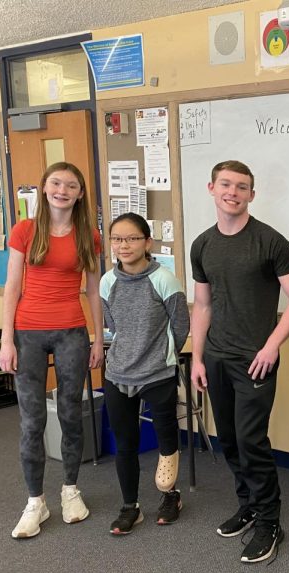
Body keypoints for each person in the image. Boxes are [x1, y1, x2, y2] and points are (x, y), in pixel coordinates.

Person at [190, 160, 289, 564]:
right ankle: (250, 503)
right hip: (217, 358)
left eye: (242, 187)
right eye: (226, 184)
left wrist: (271, 346)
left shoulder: (271, 242)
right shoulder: (203, 244)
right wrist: (198, 358)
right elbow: (203, 305)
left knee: (251, 441)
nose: (233, 192)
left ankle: (271, 521)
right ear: (211, 188)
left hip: (256, 360)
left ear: (252, 195)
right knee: (229, 441)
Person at [0, 162, 103, 539]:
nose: (62, 190)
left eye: (71, 185)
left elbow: (93, 290)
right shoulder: (24, 231)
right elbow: (12, 287)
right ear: (44, 188)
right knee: (32, 421)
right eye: (56, 183)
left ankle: (70, 490)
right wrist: (5, 339)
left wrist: (96, 339)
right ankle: (35, 502)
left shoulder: (88, 236)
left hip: (72, 332)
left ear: (79, 194)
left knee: (71, 414)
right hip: (27, 333)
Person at [100, 213, 190, 535]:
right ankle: (130, 507)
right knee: (125, 443)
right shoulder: (107, 282)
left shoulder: (164, 279)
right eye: (117, 239)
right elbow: (114, 326)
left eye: (132, 238)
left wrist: (163, 357)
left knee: (167, 438)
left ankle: (170, 496)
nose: (124, 245)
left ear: (147, 242)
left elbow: (180, 326)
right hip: (118, 373)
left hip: (157, 373)